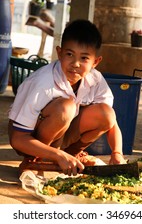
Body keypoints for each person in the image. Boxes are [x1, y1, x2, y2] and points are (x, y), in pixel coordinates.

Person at [8, 19, 126, 176]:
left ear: (95, 62)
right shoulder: (43, 83)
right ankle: (37, 159)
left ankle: (71, 155)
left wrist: (117, 153)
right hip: (29, 139)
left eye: (84, 58)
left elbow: (111, 122)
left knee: (106, 114)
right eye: (69, 54)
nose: (75, 63)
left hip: (62, 134)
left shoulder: (95, 80)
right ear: (59, 53)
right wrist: (56, 154)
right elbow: (18, 138)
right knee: (66, 108)